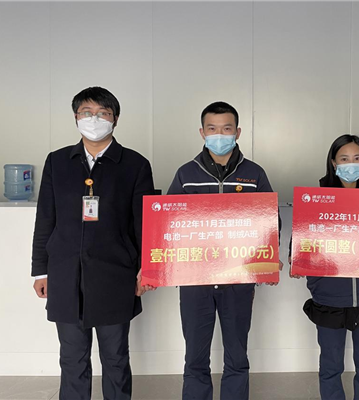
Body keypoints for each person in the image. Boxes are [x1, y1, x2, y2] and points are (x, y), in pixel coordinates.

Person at [31, 86, 155, 400]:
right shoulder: (58, 162)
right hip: (65, 274)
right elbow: (45, 218)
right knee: (72, 359)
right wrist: (41, 271)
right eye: (87, 113)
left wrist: (147, 269)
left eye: (103, 113)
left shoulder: (134, 165)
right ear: (76, 117)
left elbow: (143, 223)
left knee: (115, 357)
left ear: (115, 119)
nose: (94, 119)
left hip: (116, 274)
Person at [168, 101, 281, 400]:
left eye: (226, 129)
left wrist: (269, 259)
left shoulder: (254, 174)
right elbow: (168, 222)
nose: (220, 135)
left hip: (238, 281)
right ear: (202, 132)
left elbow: (271, 220)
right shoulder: (186, 174)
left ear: (237, 132)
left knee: (237, 356)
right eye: (213, 129)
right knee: (195, 357)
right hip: (195, 281)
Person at [291, 134, 359, 400]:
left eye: (357, 158)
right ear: (333, 163)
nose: (351, 164)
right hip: (329, 297)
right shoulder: (315, 201)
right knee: (330, 366)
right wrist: (298, 261)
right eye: (344, 159)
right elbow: (299, 245)